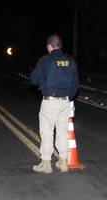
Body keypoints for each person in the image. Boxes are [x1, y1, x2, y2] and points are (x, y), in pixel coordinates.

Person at [30, 34, 79, 173]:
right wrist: (68, 97)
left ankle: (46, 163)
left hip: (49, 102)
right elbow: (76, 84)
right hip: (65, 102)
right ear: (60, 46)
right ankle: (63, 162)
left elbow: (34, 79)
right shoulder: (70, 61)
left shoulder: (45, 60)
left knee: (46, 131)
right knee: (63, 132)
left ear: (49, 46)